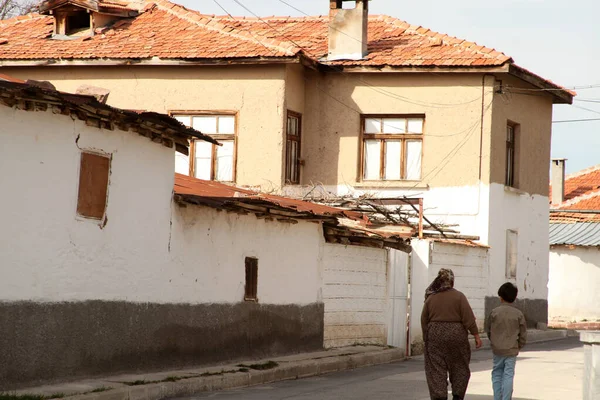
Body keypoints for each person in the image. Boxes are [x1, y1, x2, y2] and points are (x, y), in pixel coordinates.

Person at [421, 268, 482, 400]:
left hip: (435, 335)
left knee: (436, 368)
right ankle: (458, 395)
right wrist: (476, 335)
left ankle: (439, 396)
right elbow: (468, 318)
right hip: (457, 335)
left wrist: (426, 338)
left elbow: (424, 319)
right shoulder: (459, 296)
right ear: (452, 281)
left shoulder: (431, 298)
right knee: (460, 366)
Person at [485, 282, 527, 400]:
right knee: (508, 375)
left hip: (497, 349)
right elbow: (523, 333)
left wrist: (494, 341)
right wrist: (519, 346)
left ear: (501, 297)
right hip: (512, 350)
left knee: (497, 373)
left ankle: (497, 397)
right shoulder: (518, 314)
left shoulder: (494, 312)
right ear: (514, 298)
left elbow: (488, 330)